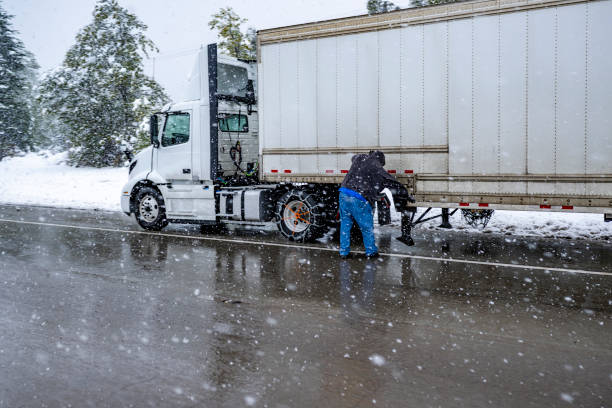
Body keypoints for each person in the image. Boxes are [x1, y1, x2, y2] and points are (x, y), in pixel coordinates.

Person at [338, 150, 409, 259]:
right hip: (358, 197)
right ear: (380, 160)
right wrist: (405, 195)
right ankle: (371, 251)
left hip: (343, 193)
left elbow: (353, 157)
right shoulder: (377, 168)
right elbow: (392, 182)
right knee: (366, 227)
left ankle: (343, 252)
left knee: (345, 224)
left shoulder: (360, 157)